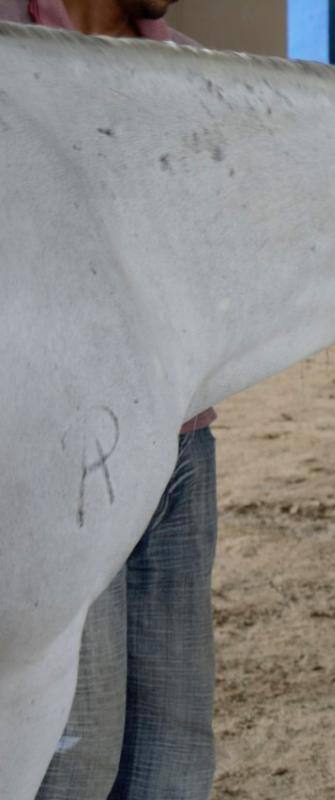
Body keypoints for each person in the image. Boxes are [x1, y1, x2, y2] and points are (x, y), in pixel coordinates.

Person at [0, 3, 220, 799]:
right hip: (55, 452)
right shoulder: (15, 49)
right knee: (73, 747)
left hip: (181, 443)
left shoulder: (189, 73)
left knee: (177, 738)